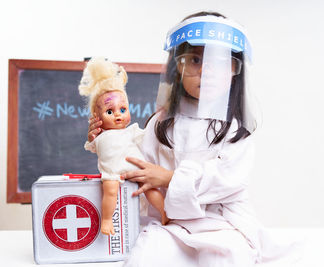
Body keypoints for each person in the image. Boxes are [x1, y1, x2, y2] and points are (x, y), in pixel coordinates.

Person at [88, 12, 292, 266]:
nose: (205, 71)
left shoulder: (234, 130)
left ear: (234, 69)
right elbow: (134, 163)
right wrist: (110, 138)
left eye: (218, 61)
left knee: (227, 256)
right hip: (169, 221)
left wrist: (169, 177)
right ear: (178, 68)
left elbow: (228, 180)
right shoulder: (161, 123)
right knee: (147, 257)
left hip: (223, 223)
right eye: (195, 59)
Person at [79, 58, 169, 236]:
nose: (118, 115)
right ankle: (106, 219)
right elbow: (92, 147)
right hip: (112, 172)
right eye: (109, 112)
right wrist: (91, 138)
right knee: (110, 191)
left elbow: (147, 136)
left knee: (150, 188)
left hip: (136, 167)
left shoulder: (131, 131)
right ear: (96, 116)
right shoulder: (100, 136)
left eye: (123, 109)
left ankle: (165, 212)